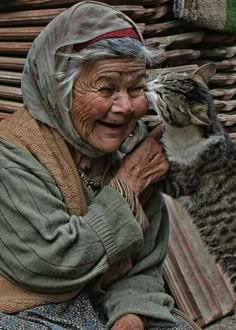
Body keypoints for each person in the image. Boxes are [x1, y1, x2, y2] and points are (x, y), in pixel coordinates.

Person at [0, 1, 200, 329]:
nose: (125, 106)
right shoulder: (13, 155)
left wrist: (130, 316)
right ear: (59, 91)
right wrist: (128, 186)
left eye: (135, 88)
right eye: (106, 88)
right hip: (28, 309)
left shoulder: (134, 149)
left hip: (107, 305)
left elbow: (143, 267)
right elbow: (50, 263)